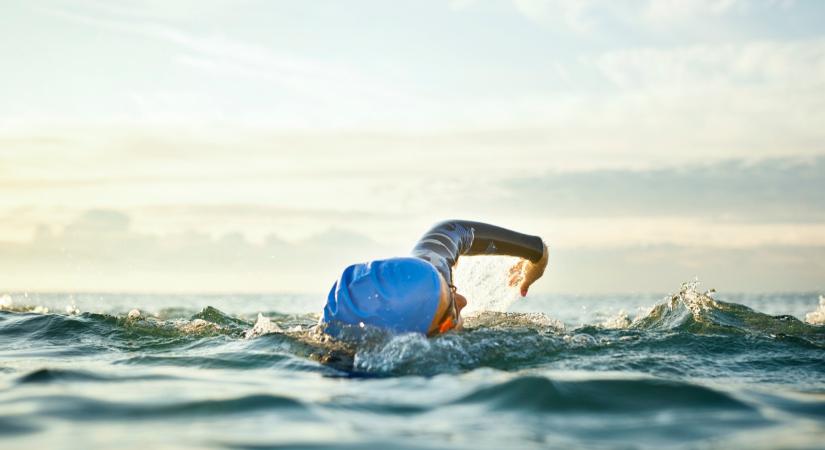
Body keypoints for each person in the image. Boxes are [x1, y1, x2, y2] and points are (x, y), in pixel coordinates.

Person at [320, 220, 549, 339]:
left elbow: (451, 231)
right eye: (450, 314)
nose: (463, 301)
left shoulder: (429, 275)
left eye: (451, 288)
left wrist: (538, 255)